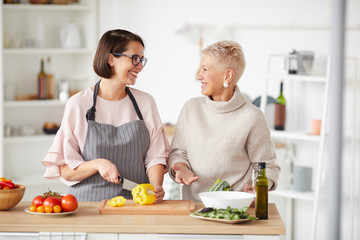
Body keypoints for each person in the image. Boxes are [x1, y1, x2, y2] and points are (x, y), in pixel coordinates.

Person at [42, 29, 169, 202]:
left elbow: (155, 157)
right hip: (88, 208)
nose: (139, 65)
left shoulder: (146, 102)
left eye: (142, 60)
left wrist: (156, 188)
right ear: (111, 59)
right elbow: (66, 171)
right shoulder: (78, 104)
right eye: (134, 58)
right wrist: (97, 164)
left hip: (136, 205)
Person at [167, 40, 280, 201]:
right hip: (193, 208)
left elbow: (267, 166)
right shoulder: (191, 108)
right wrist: (181, 168)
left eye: (205, 69)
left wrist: (258, 188)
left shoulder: (252, 117)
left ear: (227, 75)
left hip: (233, 211)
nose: (199, 76)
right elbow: (178, 153)